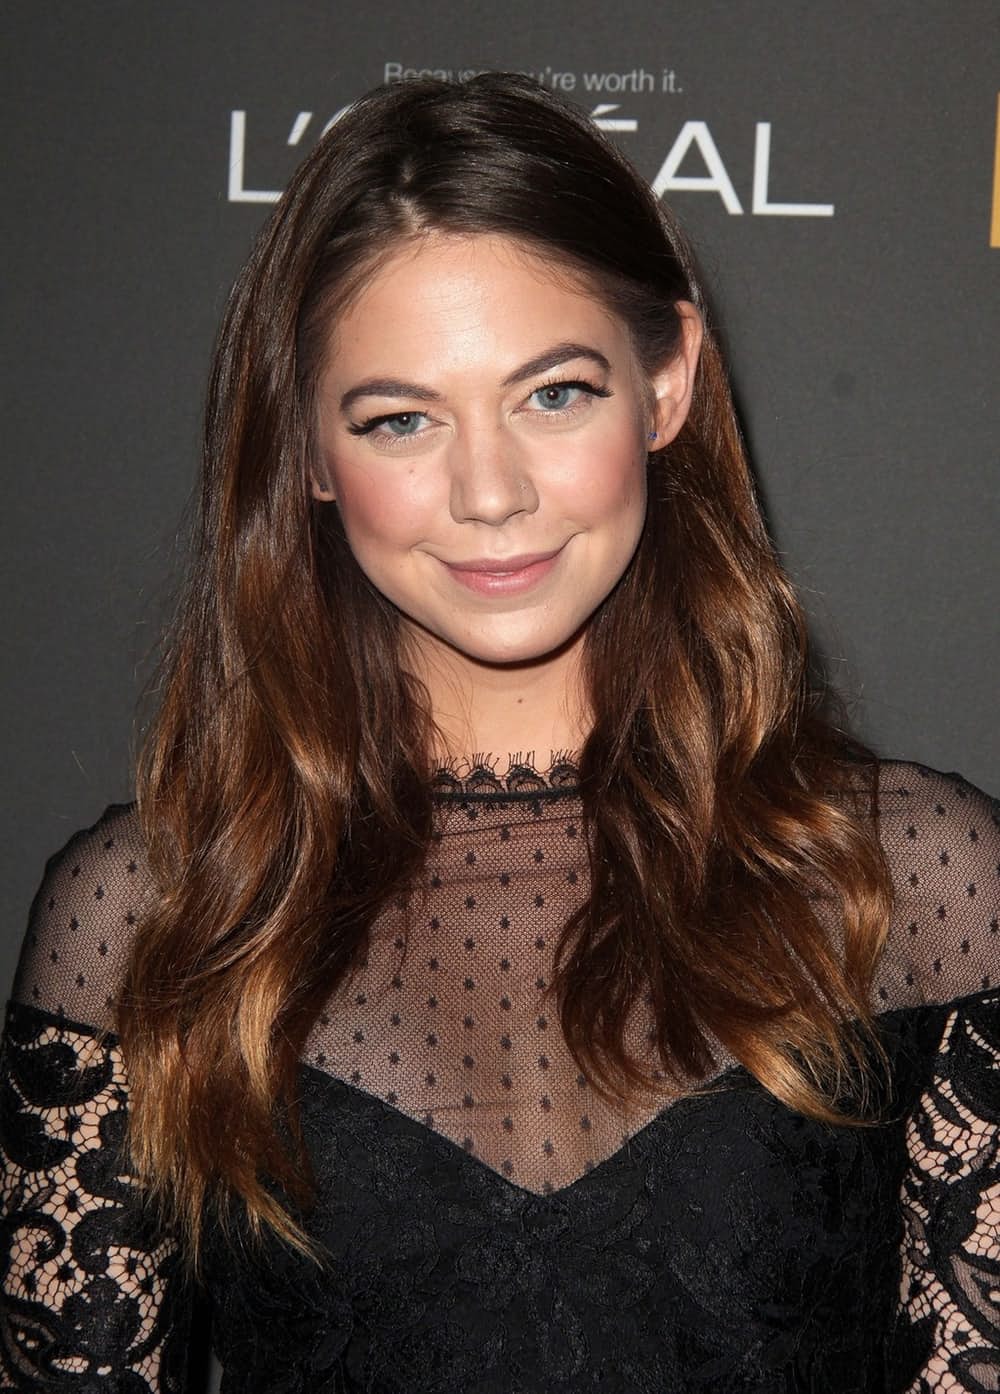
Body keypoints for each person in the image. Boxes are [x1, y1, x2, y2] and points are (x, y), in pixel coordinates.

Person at [1, 72, 997, 1394]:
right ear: (308, 449)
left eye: (553, 395)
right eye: (401, 420)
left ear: (666, 383)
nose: (489, 492)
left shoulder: (909, 881)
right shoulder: (155, 912)